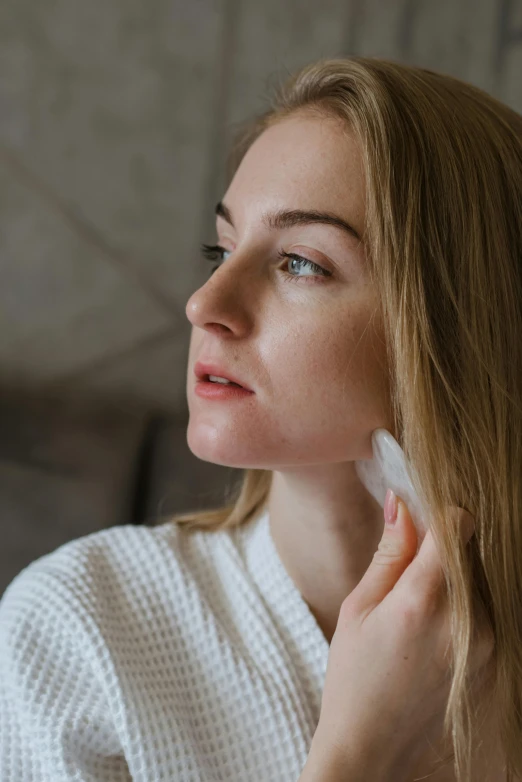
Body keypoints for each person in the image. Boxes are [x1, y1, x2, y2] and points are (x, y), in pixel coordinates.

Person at [1, 56, 521, 782]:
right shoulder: (78, 632)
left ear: (457, 328)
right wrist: (357, 756)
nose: (205, 303)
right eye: (222, 247)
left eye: (301, 263)